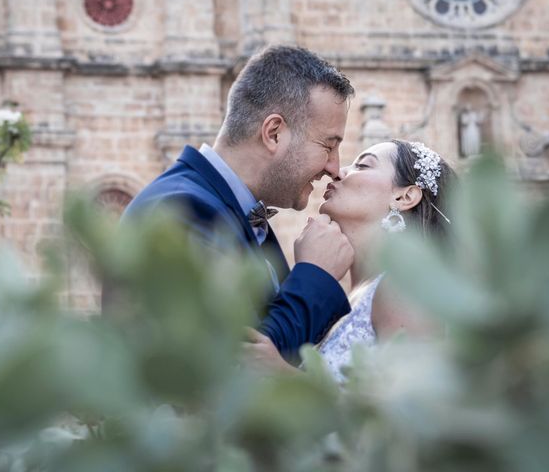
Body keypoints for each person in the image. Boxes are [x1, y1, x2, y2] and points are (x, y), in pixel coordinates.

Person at [117, 45, 357, 357]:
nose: (334, 168)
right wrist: (315, 275)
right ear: (273, 133)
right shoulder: (180, 211)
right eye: (328, 145)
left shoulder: (231, 210)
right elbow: (229, 368)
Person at [244, 139, 456, 381]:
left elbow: (411, 408)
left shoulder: (405, 288)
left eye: (363, 166)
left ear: (404, 196)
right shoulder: (357, 294)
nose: (339, 172)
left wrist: (283, 375)